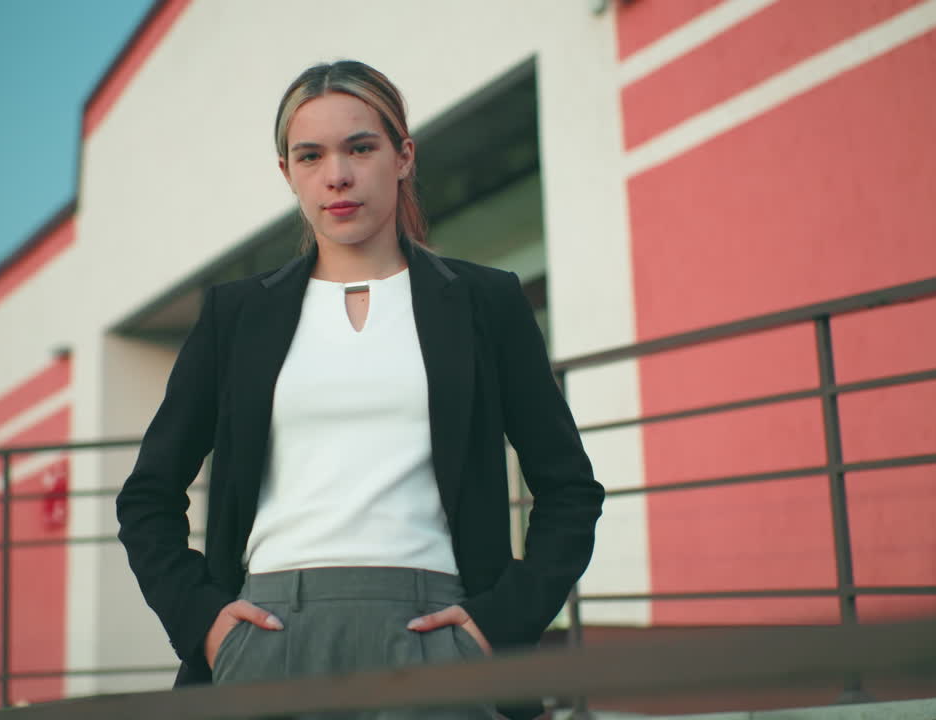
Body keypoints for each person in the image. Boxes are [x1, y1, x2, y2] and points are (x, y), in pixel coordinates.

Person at [116, 59, 604, 720]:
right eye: (310, 155)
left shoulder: (486, 303)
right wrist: (206, 623)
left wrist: (500, 624)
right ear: (287, 173)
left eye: (360, 147)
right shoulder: (236, 317)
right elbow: (148, 494)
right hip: (265, 638)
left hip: (438, 631)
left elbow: (569, 488)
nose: (337, 175)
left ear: (403, 156)